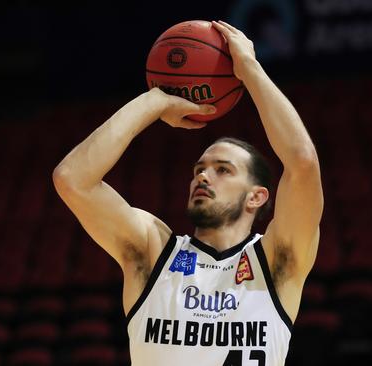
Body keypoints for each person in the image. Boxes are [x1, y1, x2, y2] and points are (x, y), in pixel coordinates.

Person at [53, 20, 323, 366]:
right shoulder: (153, 253)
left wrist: (250, 70)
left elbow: (302, 161)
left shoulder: (277, 261)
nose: (203, 177)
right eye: (199, 170)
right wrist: (153, 102)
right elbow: (72, 179)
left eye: (223, 170)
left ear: (257, 196)